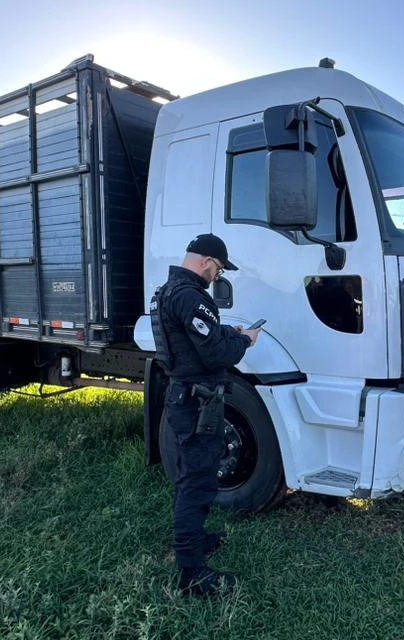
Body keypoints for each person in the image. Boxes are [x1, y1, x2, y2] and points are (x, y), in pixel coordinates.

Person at [149, 233, 262, 596]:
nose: (217, 276)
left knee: (192, 477)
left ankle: (195, 541)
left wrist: (230, 331)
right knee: (195, 484)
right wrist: (244, 341)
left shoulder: (171, 291)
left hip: (187, 398)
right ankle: (192, 575)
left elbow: (199, 338)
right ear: (204, 261)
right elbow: (216, 354)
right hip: (196, 403)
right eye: (217, 269)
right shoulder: (190, 296)